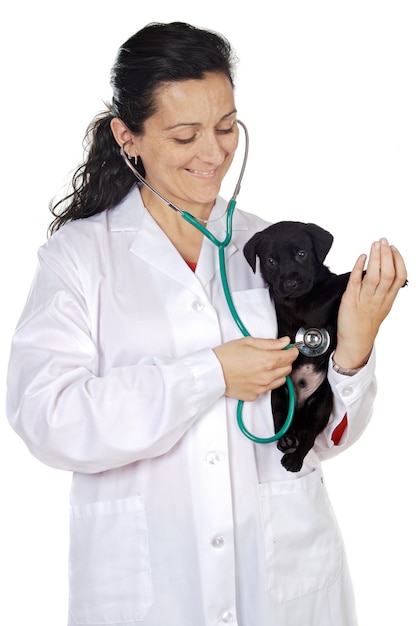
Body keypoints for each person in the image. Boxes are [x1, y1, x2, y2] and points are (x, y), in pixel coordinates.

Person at [6, 21, 407, 626]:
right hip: (150, 586)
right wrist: (209, 374)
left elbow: (326, 439)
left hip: (285, 580)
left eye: (226, 128)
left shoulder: (267, 246)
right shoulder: (80, 259)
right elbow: (47, 418)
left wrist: (353, 348)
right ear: (128, 137)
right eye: (185, 134)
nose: (214, 153)